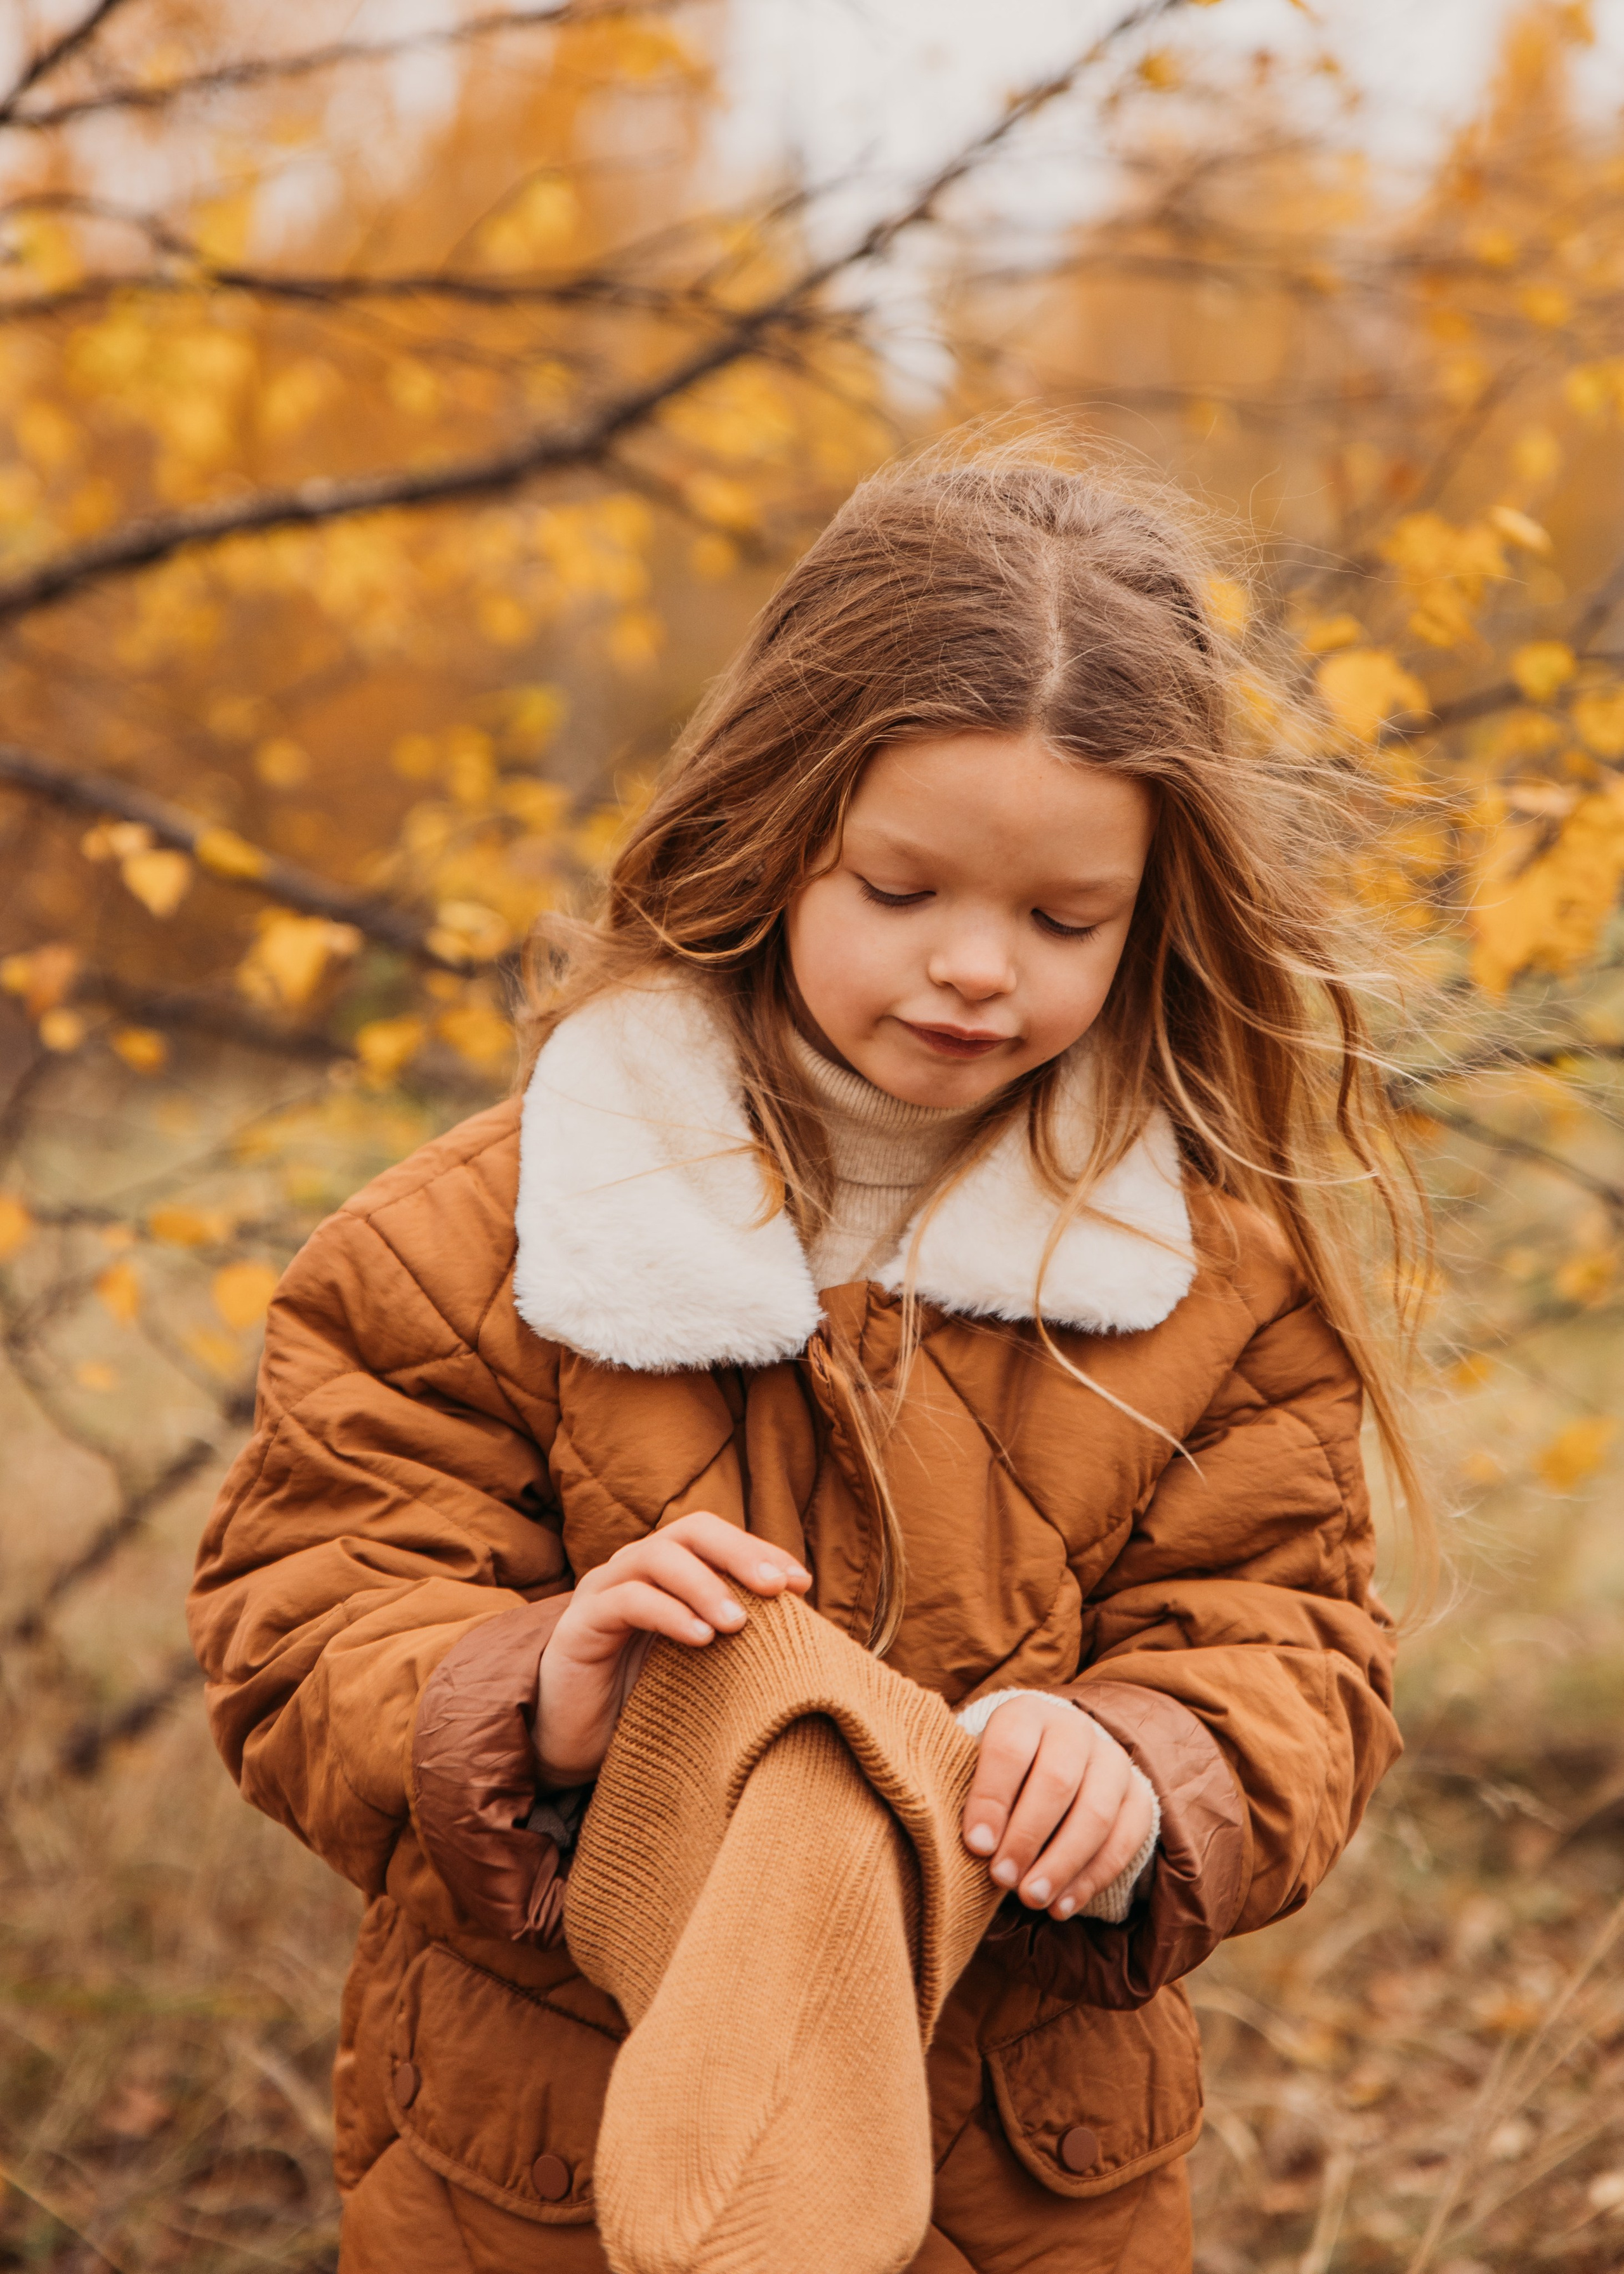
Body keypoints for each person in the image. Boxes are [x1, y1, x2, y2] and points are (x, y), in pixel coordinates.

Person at [188, 445, 1424, 2274]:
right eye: (901, 890)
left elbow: (1293, 1644)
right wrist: (536, 1691)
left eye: (1063, 920)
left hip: (1018, 2184)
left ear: (1153, 911)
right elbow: (301, 1612)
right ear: (776, 834)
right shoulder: (488, 1237)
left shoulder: (1211, 1281)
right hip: (543, 2161)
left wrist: (1144, 1766)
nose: (975, 971)